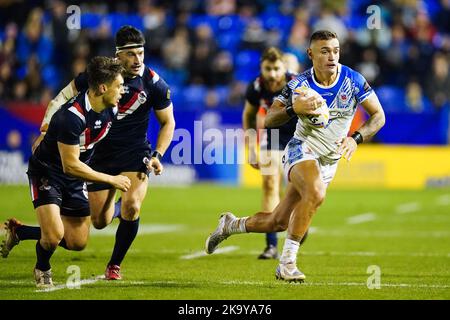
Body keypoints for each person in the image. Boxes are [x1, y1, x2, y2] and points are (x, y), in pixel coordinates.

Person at [205, 30, 386, 282]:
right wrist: (293, 108)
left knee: (277, 222)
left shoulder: (353, 80)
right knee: (315, 193)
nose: (331, 56)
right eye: (324, 51)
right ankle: (287, 263)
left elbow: (379, 116)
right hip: (301, 148)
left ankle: (230, 225)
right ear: (310, 54)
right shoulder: (299, 85)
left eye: (335, 50)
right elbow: (269, 118)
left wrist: (356, 138)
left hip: (329, 160)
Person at [3, 26, 176, 281]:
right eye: (131, 54)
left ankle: (113, 265)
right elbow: (60, 99)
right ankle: (27, 232)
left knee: (132, 205)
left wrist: (157, 155)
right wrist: (46, 127)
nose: (138, 59)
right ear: (118, 56)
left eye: (141, 53)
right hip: (97, 155)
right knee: (98, 222)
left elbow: (168, 122)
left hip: (134, 151)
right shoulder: (96, 79)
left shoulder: (153, 83)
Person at [1, 56, 130, 287]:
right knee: (52, 237)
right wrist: (111, 179)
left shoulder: (110, 110)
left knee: (77, 242)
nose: (122, 90)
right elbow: (70, 164)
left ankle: (19, 232)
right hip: (48, 172)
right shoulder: (71, 117)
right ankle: (42, 268)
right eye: (119, 85)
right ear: (102, 88)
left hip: (74, 177)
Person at [242, 47, 298, 259]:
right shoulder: (256, 87)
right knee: (269, 185)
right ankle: (271, 244)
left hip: (298, 138)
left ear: (284, 68)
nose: (272, 74)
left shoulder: (297, 83)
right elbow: (248, 116)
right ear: (261, 69)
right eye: (268, 69)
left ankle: (296, 219)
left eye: (276, 69)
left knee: (295, 189)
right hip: (272, 137)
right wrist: (250, 149)